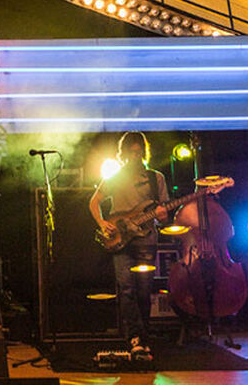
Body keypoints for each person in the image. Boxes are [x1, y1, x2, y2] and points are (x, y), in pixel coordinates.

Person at [89, 131, 169, 361]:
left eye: (139, 152)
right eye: (131, 152)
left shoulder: (156, 178)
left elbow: (163, 215)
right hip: (120, 241)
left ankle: (143, 337)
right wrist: (103, 223)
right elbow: (94, 202)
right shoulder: (115, 177)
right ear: (123, 154)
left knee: (144, 291)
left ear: (144, 153)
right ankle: (135, 338)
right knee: (126, 289)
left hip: (146, 240)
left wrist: (163, 215)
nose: (135, 156)